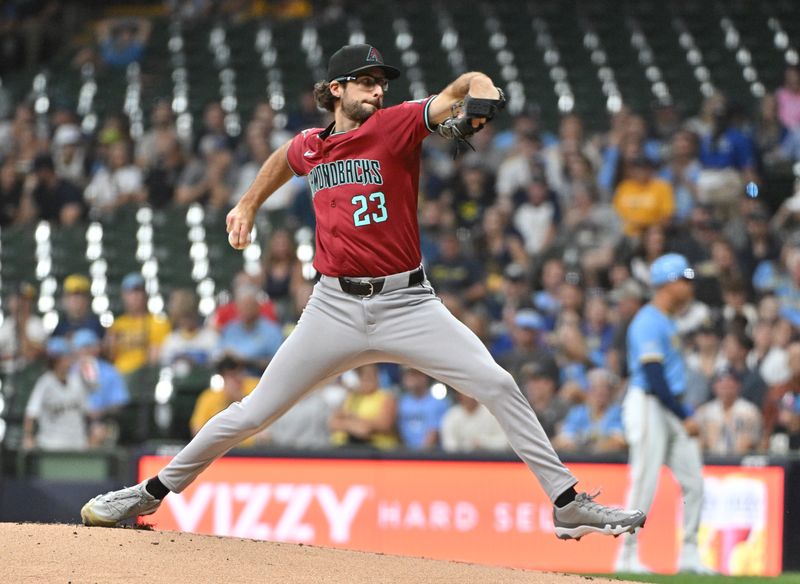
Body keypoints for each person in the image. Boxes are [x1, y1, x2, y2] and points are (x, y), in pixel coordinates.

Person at [81, 43, 646, 540]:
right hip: (334, 307)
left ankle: (567, 504)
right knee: (252, 413)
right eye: (367, 80)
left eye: (382, 82)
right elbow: (285, 157)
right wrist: (248, 202)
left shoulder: (396, 124)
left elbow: (465, 85)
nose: (378, 89)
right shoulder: (312, 145)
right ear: (335, 89)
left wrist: (483, 94)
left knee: (497, 383)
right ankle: (148, 493)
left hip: (408, 303)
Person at [616, 254, 713, 574]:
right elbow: (654, 375)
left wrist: (681, 411)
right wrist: (682, 413)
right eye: (684, 278)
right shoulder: (648, 319)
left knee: (694, 482)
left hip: (669, 406)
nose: (689, 284)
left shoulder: (667, 319)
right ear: (668, 283)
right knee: (645, 479)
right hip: (648, 403)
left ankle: (689, 555)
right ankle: (627, 555)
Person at [23, 337, 88, 451]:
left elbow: (86, 409)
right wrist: (28, 437)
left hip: (77, 443)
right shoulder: (45, 382)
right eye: (64, 358)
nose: (68, 361)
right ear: (55, 361)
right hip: (51, 444)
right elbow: (31, 412)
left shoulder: (77, 380)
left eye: (68, 357)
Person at [106, 272, 171, 375]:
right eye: (130, 292)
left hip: (144, 376)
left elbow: (155, 357)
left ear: (145, 295)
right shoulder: (117, 325)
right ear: (123, 296)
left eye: (138, 291)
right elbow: (110, 357)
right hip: (119, 374)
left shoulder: (158, 322)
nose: (135, 297)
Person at [189, 356, 259, 446]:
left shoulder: (254, 386)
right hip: (221, 450)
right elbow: (196, 430)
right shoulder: (209, 396)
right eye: (231, 375)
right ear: (223, 376)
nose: (237, 378)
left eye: (239, 372)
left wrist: (238, 398)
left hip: (254, 450)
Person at [329, 363, 398, 449]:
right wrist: (356, 426)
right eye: (362, 375)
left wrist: (352, 418)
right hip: (345, 448)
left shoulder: (386, 397)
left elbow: (384, 425)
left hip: (376, 450)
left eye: (370, 375)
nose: (366, 379)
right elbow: (333, 423)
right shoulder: (352, 397)